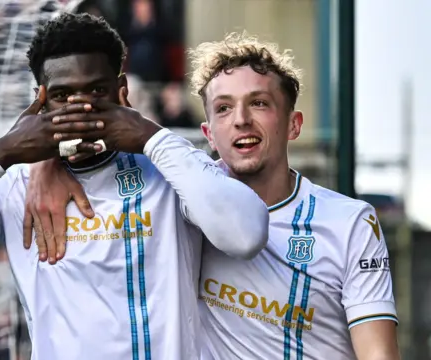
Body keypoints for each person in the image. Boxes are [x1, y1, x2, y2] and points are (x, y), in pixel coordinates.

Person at [0, 14, 269, 360]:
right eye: (63, 96)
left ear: (121, 93)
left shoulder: (170, 168)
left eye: (96, 92)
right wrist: (0, 152)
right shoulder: (15, 183)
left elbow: (245, 235)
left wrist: (153, 138)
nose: (80, 110)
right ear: (40, 104)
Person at [25, 32, 400, 359]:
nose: (240, 120)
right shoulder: (177, 196)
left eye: (259, 103)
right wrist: (45, 162)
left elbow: (379, 353)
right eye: (223, 109)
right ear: (207, 133)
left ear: (293, 125)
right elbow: (88, 110)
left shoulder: (349, 222)